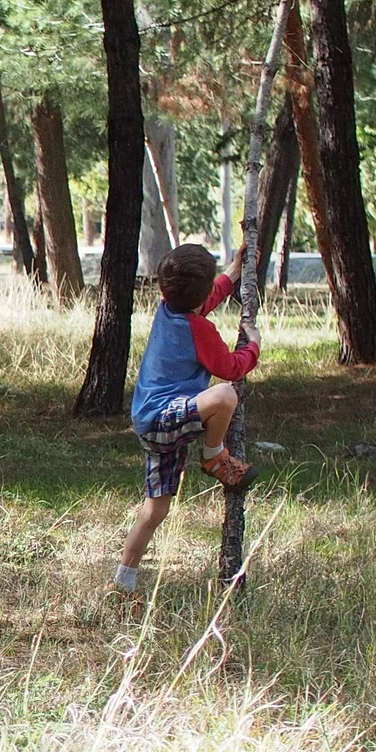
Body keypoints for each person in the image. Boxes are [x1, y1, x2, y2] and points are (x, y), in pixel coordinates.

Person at [116, 243, 258, 594]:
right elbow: (229, 368)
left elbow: (204, 301)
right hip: (166, 420)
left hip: (149, 422)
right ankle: (214, 458)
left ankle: (123, 582)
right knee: (226, 394)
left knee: (155, 510)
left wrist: (233, 272)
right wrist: (252, 345)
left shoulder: (167, 310)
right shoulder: (200, 331)